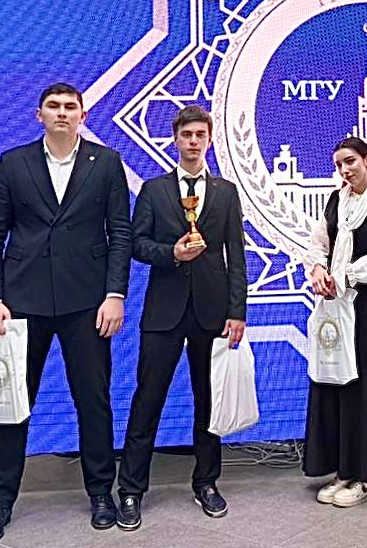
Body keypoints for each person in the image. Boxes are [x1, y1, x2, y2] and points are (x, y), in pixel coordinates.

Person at [0, 82, 132, 545]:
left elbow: (120, 233)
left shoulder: (106, 162)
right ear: (38, 114)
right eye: (53, 106)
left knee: (93, 402)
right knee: (12, 406)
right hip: (21, 304)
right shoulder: (13, 162)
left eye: (70, 107)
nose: (62, 112)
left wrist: (115, 294)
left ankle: (101, 493)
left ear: (83, 115)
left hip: (88, 302)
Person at [116, 105, 247, 528]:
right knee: (147, 400)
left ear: (209, 140)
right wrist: (171, 253)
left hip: (212, 312)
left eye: (200, 135)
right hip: (163, 311)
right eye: (186, 134)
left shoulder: (226, 192)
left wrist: (237, 311)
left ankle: (206, 482)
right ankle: (131, 490)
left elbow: (236, 255)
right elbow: (136, 244)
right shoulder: (154, 190)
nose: (193, 141)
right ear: (175, 139)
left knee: (209, 401)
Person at [303, 137, 367, 508]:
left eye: (351, 161)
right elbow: (318, 243)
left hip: (365, 309)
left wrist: (342, 275)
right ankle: (343, 470)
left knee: (362, 389)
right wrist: (318, 269)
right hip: (334, 306)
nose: (345, 170)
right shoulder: (335, 201)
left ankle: (365, 478)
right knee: (336, 387)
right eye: (339, 164)